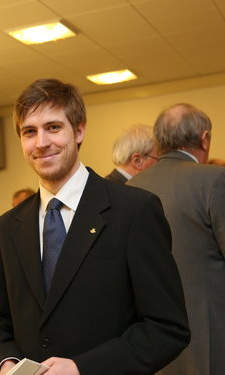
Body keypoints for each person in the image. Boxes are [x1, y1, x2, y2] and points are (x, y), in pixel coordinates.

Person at [0, 79, 190, 375]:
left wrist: (81, 368)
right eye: (29, 132)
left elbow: (167, 328)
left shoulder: (134, 211)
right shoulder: (7, 227)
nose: (41, 143)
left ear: (79, 130)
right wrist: (6, 363)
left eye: (53, 127)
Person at [128, 103, 225, 375]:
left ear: (158, 142)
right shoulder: (214, 180)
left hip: (149, 344)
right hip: (210, 340)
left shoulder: (129, 189)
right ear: (204, 139)